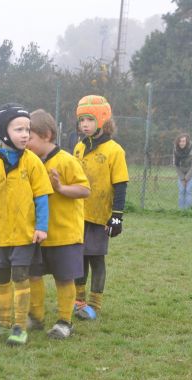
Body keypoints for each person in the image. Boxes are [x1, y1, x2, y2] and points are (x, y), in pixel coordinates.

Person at [0, 103, 53, 346]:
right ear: (3, 132)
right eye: (19, 129)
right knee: (0, 278)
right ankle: (3, 323)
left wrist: (41, 227)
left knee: (20, 277)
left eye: (27, 129)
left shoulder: (32, 162)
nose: (25, 134)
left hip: (25, 235)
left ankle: (19, 326)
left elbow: (42, 198)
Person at [26, 109, 90, 339]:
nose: (25, 140)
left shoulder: (66, 161)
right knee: (33, 275)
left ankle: (65, 321)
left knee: (64, 278)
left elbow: (84, 190)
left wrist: (61, 188)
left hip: (65, 235)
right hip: (37, 234)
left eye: (29, 136)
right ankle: (36, 317)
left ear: (47, 135)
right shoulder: (29, 162)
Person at [72, 95, 129, 321]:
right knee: (78, 258)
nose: (84, 124)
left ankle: (95, 303)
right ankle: (78, 300)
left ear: (102, 120)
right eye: (81, 119)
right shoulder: (78, 147)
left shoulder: (115, 150)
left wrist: (117, 217)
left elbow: (121, 184)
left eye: (89, 119)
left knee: (96, 259)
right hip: (77, 215)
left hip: (100, 217)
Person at [173, 133, 192, 209]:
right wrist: (182, 178)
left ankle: (188, 211)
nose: (181, 143)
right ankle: (181, 211)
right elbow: (176, 165)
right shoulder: (176, 150)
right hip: (182, 173)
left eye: (183, 141)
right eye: (180, 141)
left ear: (187, 142)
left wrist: (186, 179)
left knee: (188, 190)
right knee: (181, 191)